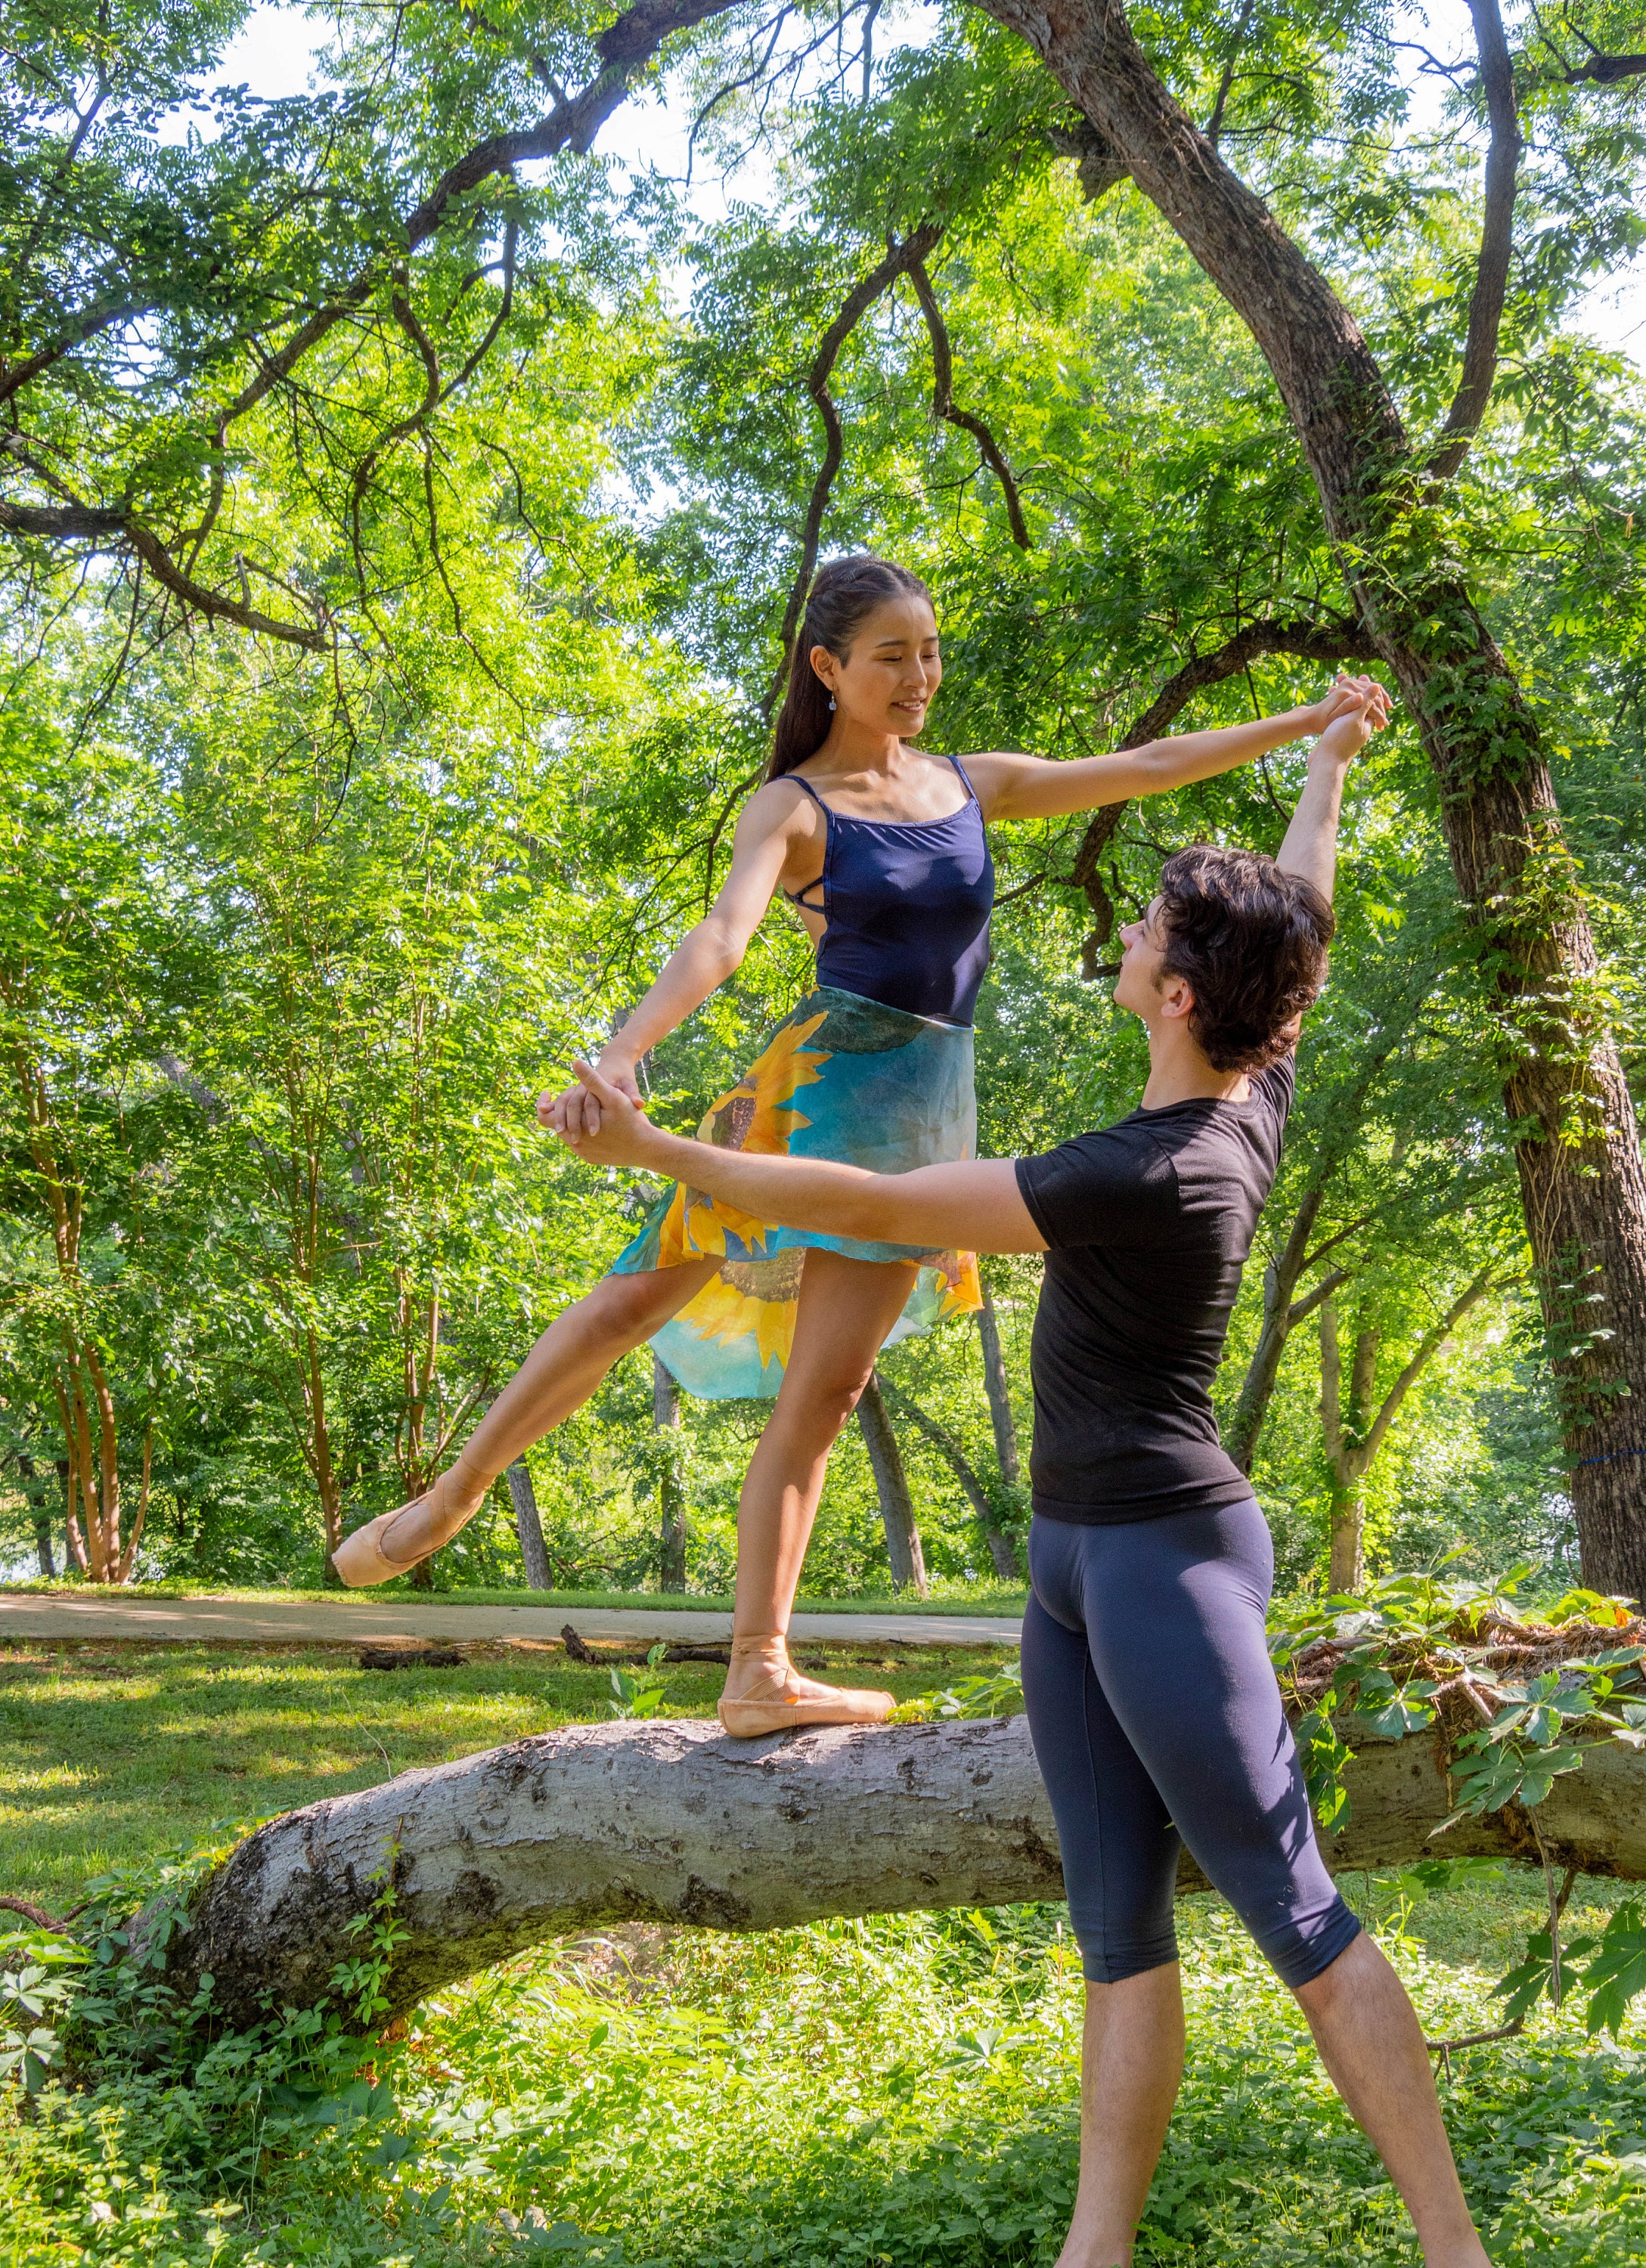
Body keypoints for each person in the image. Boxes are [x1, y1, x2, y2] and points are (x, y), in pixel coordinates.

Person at [556, 680, 1491, 2267]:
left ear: (1182, 996)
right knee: (1118, 1937)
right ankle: (1093, 2253)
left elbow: (865, 1194)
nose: (1124, 932)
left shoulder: (1149, 1173)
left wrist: (660, 1161)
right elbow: (1302, 920)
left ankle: (1457, 2254)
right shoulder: (1249, 1084)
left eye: (1149, 928)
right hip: (1075, 1569)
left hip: (1163, 1563)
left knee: (1299, 1918)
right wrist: (1322, 769)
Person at [335, 550, 1384, 1740]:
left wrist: (1316, 724)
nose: (920, 675)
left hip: (924, 1108)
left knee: (827, 1391)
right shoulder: (793, 807)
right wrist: (625, 1054)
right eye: (893, 655)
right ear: (828, 669)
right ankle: (450, 1497)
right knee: (639, 1295)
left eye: (929, 651)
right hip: (824, 1079)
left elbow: (1143, 766)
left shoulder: (967, 786)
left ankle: (759, 1667)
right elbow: (719, 938)